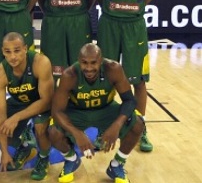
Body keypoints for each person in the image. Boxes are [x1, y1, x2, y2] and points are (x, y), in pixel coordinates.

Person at [94, 0, 157, 153]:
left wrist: (132, 10)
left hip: (134, 25)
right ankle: (103, 125)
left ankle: (140, 127)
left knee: (138, 80)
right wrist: (114, 9)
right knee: (105, 76)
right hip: (109, 23)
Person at [49, 43, 145, 183]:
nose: (88, 68)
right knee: (53, 132)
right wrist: (77, 133)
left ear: (101, 60)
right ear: (78, 61)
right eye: (84, 63)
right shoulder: (69, 75)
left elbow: (129, 100)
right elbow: (57, 111)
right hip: (78, 111)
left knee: (138, 123)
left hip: (106, 109)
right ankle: (71, 159)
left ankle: (117, 164)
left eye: (93, 63)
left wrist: (117, 125)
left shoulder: (113, 69)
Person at [0, 32, 54, 180]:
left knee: (39, 127)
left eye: (17, 50)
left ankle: (43, 157)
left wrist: (16, 117)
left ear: (25, 48)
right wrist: (4, 152)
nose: (12, 56)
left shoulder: (40, 62)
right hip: (19, 103)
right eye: (8, 52)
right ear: (2, 52)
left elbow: (46, 101)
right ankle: (24, 146)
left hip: (41, 103)